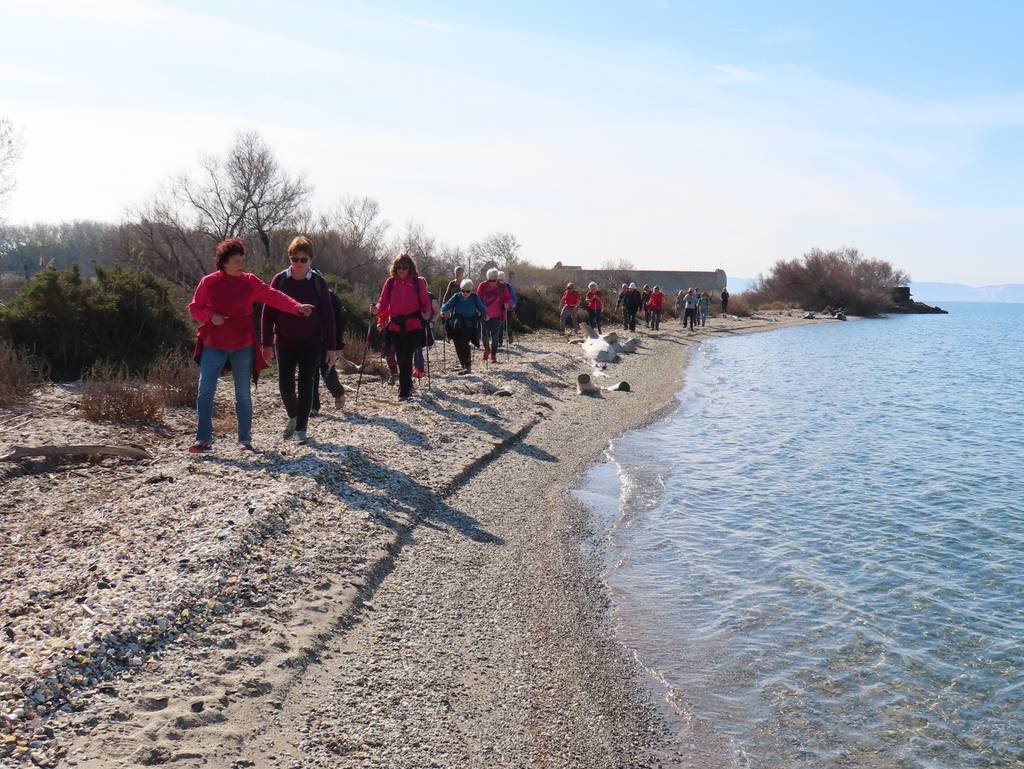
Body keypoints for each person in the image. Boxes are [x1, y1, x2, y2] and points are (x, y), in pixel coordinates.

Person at [188, 238, 313, 453]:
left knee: (243, 393)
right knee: (205, 390)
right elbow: (195, 308)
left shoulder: (250, 281)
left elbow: (272, 296)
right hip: (213, 342)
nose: (242, 264)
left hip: (242, 342)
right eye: (237, 260)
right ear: (224, 262)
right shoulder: (208, 282)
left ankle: (245, 440)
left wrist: (297, 307)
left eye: (243, 260)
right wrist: (210, 316)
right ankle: (203, 439)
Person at [261, 236, 338, 444]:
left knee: (306, 385)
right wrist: (266, 343)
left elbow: (329, 318)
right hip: (284, 341)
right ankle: (293, 416)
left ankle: (301, 429)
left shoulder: (318, 283)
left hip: (311, 343)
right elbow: (267, 313)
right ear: (289, 258)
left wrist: (332, 348)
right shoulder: (280, 280)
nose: (298, 264)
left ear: (311, 260)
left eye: (303, 259)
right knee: (285, 386)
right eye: (295, 259)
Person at [373, 252, 431, 400]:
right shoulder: (390, 282)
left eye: (404, 267)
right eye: (399, 267)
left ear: (410, 267)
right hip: (395, 326)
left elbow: (425, 302)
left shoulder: (418, 283)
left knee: (407, 356)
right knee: (401, 357)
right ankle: (407, 385)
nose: (401, 270)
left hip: (414, 326)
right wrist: (377, 309)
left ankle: (404, 390)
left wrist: (426, 312)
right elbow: (383, 301)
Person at [441, 279, 487, 374]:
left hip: (469, 324)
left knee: (464, 344)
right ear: (461, 289)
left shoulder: (474, 297)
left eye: (468, 291)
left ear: (471, 290)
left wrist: (485, 314)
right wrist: (443, 311)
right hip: (457, 324)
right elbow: (447, 305)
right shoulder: (457, 296)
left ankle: (468, 366)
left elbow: (482, 307)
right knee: (457, 344)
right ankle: (463, 365)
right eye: (463, 290)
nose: (465, 293)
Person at [477, 268, 512, 362]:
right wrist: (479, 310)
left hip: (497, 315)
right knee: (484, 335)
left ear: (497, 278)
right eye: (490, 280)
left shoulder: (502, 286)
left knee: (495, 336)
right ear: (487, 278)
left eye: (494, 280)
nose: (492, 282)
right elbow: (478, 299)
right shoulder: (482, 286)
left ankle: (493, 355)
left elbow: (508, 298)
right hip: (484, 315)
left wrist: (506, 304)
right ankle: (486, 350)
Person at [413, 290, 440, 379]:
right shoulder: (412, 295)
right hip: (414, 325)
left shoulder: (430, 296)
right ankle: (418, 369)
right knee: (417, 348)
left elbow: (437, 312)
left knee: (418, 348)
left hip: (426, 325)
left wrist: (432, 322)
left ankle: (419, 369)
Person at [498, 270, 518, 347]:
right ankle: (500, 341)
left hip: (508, 309)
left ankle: (509, 337)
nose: (500, 281)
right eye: (499, 279)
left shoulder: (508, 286)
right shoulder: (496, 286)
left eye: (501, 279)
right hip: (499, 309)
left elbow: (514, 297)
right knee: (500, 325)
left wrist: (512, 304)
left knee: (507, 325)